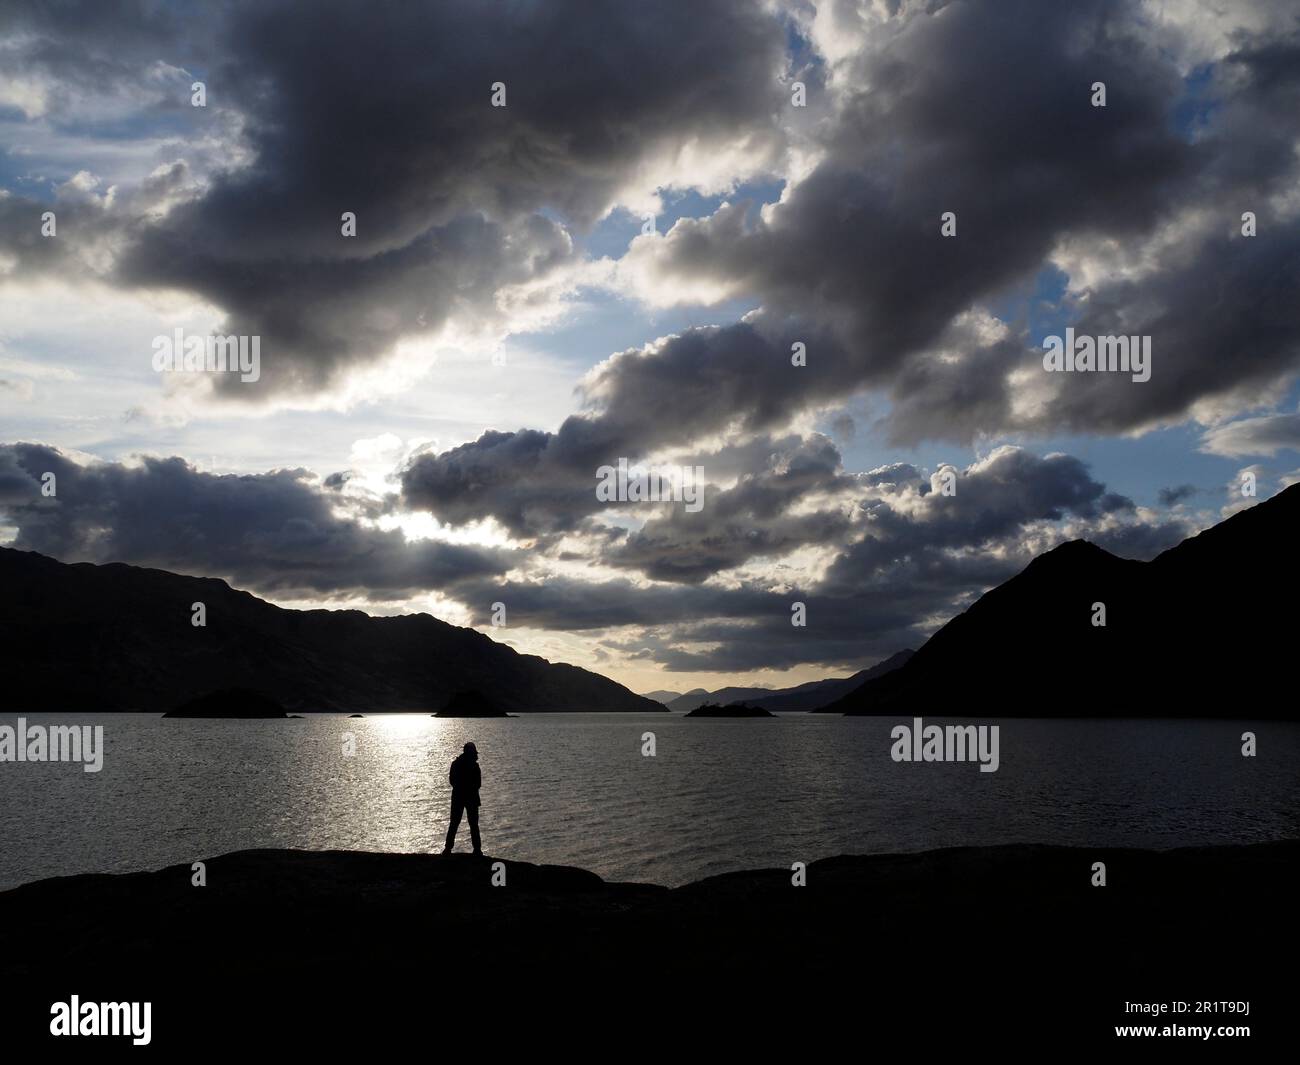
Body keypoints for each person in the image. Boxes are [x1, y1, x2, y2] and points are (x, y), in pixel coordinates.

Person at [443, 741, 482, 855]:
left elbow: (452, 781)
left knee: (454, 823)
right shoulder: (475, 766)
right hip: (470, 798)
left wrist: (461, 788)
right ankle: (477, 850)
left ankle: (448, 848)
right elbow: (478, 784)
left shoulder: (456, 764)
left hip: (458, 797)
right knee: (473, 824)